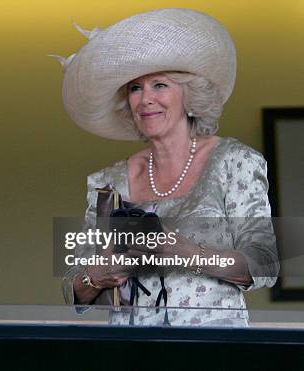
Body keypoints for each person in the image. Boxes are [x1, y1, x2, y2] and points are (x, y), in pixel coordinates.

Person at [58, 9, 279, 326]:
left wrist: (186, 251)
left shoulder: (234, 162)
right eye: (135, 88)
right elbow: (72, 285)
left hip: (213, 350)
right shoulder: (108, 183)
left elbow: (265, 264)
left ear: (189, 95)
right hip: (130, 350)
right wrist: (96, 276)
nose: (145, 99)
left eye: (159, 85)